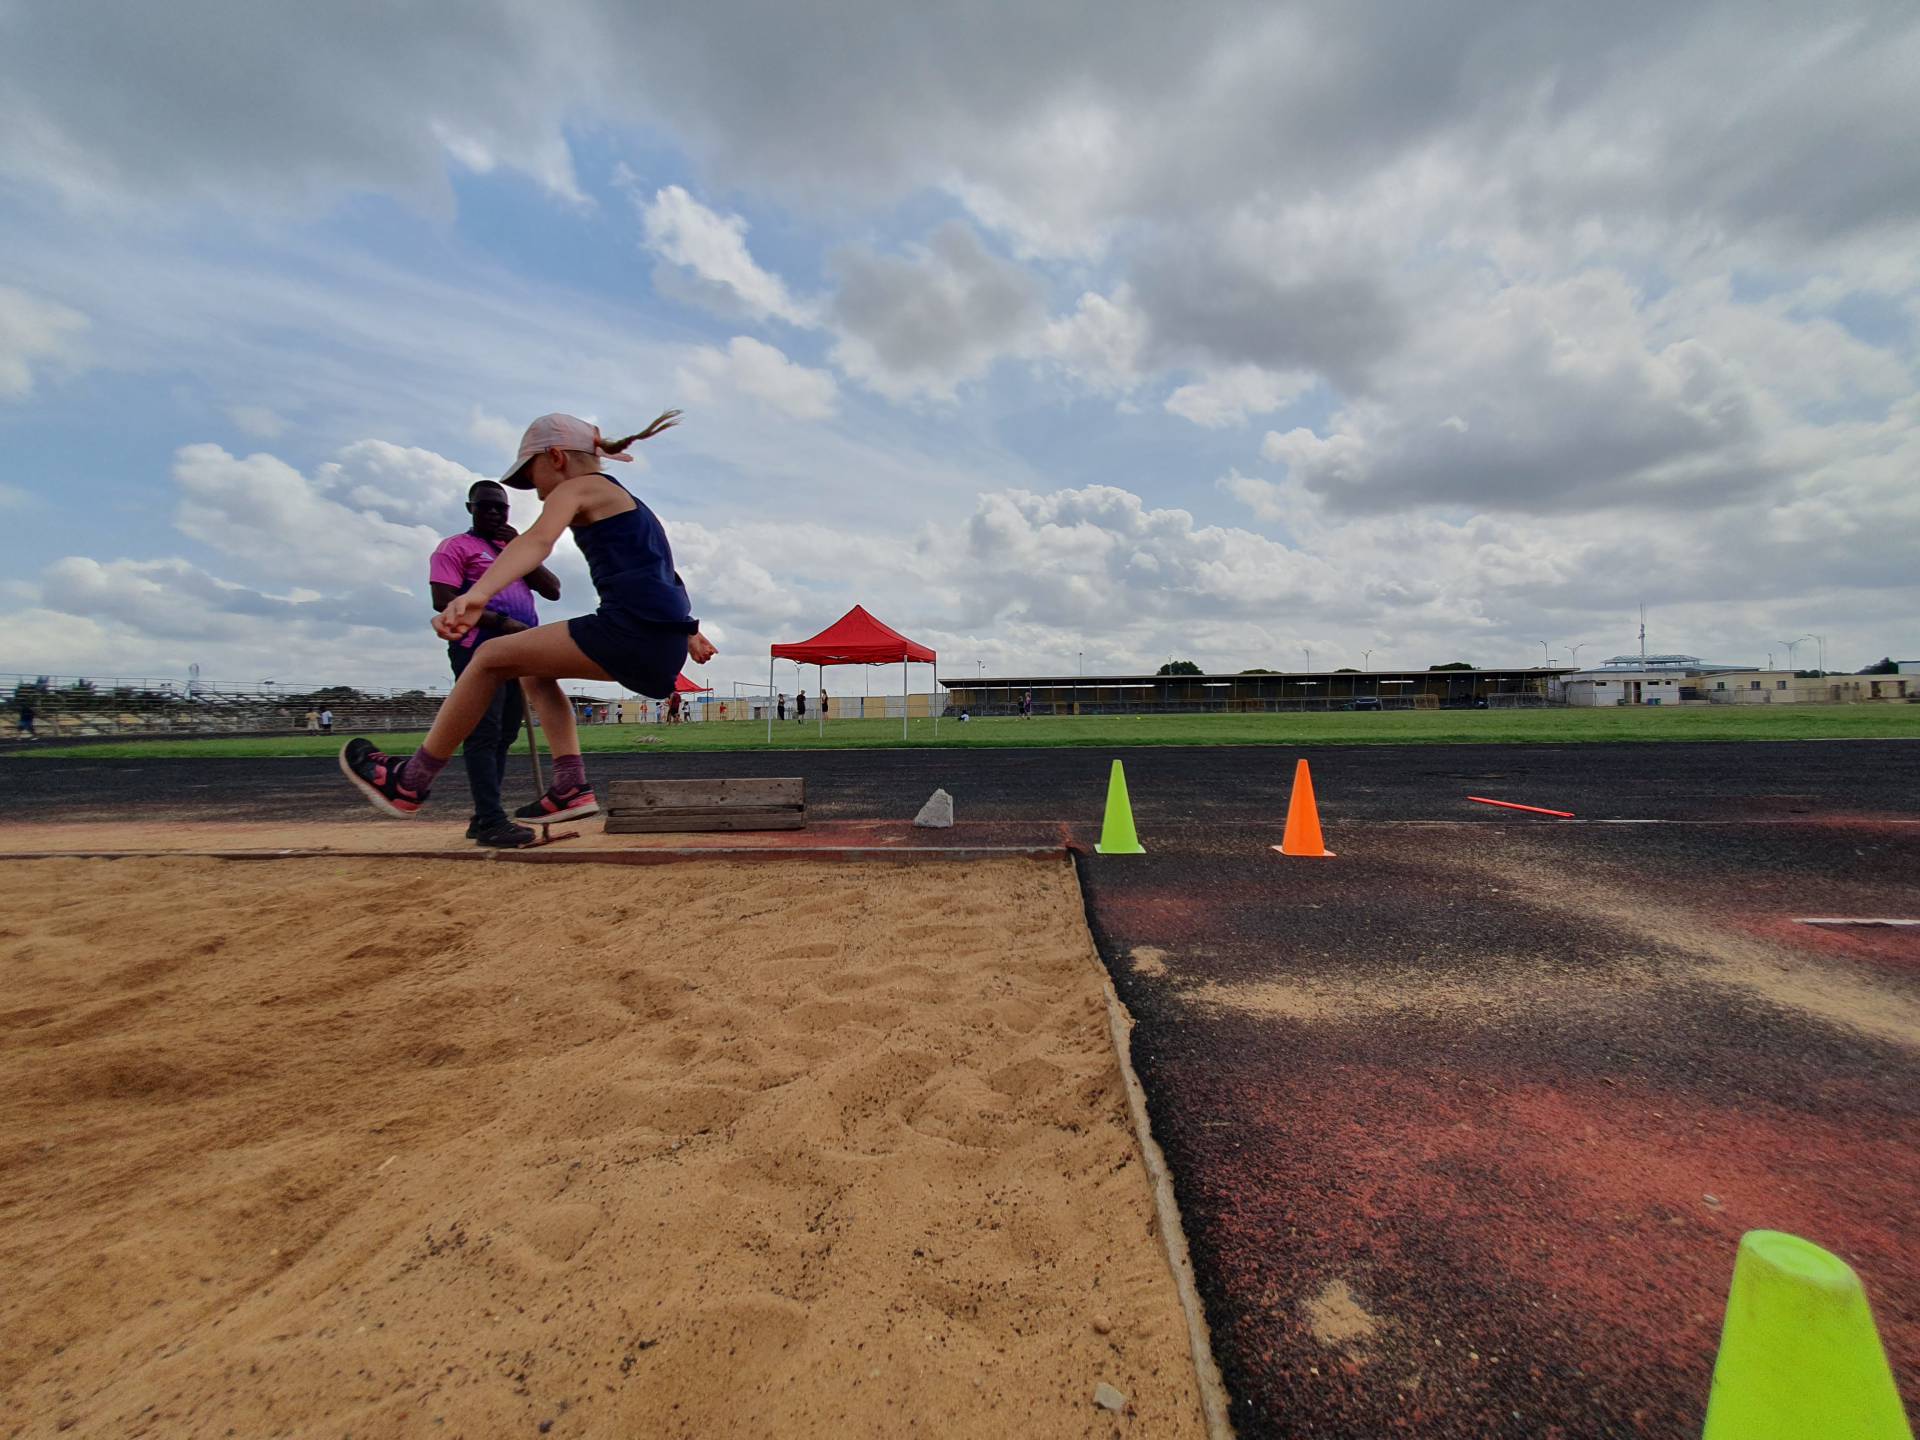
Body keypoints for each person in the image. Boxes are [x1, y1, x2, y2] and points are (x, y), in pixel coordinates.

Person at [340, 410, 714, 823]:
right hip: (659, 642)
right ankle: (570, 786)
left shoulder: (578, 487)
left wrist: (478, 594)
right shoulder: (633, 506)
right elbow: (664, 574)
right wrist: (688, 631)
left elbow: (537, 540)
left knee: (488, 657)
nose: (536, 494)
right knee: (532, 671)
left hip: (629, 631)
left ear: (556, 456)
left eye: (533, 478)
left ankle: (410, 781)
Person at [428, 478, 562, 847]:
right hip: (478, 649)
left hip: (518, 653)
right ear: (470, 508)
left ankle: (483, 816)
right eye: (484, 506)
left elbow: (552, 589)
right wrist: (501, 622)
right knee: (484, 732)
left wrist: (519, 547)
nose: (492, 513)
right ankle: (490, 819)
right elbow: (443, 598)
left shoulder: (514, 550)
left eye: (499, 508)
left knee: (505, 733)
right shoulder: (455, 547)